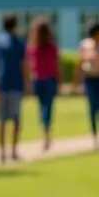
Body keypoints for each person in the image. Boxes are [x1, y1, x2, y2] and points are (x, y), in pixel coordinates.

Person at [0, 13, 30, 163]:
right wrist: (27, 84)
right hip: (15, 84)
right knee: (15, 119)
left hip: (0, 84)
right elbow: (24, 65)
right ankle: (13, 151)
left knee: (1, 120)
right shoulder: (19, 42)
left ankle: (2, 152)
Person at [72, 21, 99, 149]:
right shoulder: (85, 45)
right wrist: (76, 81)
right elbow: (79, 63)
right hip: (90, 78)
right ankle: (95, 135)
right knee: (92, 107)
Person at [26, 15, 60, 152]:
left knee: (41, 107)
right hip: (49, 79)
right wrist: (59, 81)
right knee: (48, 107)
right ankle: (46, 132)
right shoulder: (52, 47)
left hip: (37, 79)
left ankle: (44, 131)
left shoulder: (32, 46)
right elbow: (56, 65)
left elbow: (29, 66)